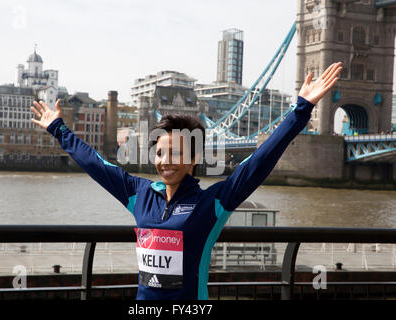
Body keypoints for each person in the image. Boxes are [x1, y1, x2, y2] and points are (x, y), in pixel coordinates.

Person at [31, 62, 343, 300]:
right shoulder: (138, 194)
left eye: (176, 153)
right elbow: (96, 164)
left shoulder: (213, 203)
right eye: (160, 153)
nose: (166, 161)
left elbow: (260, 161)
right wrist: (58, 128)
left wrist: (301, 110)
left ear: (193, 159)